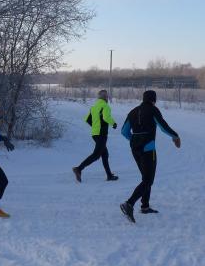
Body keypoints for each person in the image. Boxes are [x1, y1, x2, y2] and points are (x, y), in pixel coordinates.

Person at [119, 90, 181, 222]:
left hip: (135, 148)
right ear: (154, 99)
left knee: (145, 178)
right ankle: (129, 203)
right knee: (148, 180)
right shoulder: (153, 110)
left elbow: (124, 131)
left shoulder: (133, 111)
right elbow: (163, 126)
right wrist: (175, 136)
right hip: (148, 148)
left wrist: (133, 139)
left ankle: (145, 206)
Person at [73, 89, 118, 182]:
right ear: (105, 97)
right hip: (101, 134)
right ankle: (79, 169)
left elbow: (87, 119)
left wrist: (95, 127)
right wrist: (113, 124)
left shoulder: (94, 107)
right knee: (97, 155)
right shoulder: (105, 106)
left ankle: (109, 175)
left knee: (104, 154)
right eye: (107, 96)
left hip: (94, 134)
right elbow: (106, 117)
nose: (107, 98)